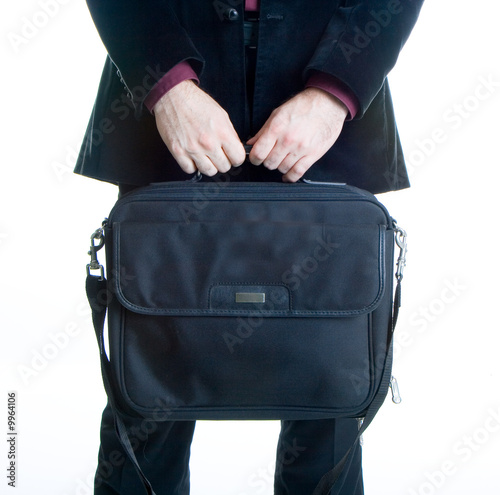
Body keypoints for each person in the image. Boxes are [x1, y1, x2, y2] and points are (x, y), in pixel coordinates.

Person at [76, 1, 424, 493]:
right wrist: (167, 83)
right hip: (169, 96)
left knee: (330, 400)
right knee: (148, 392)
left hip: (327, 105)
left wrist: (334, 92)